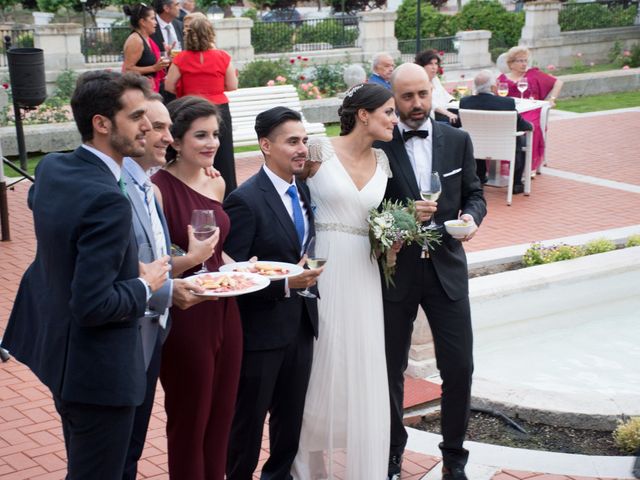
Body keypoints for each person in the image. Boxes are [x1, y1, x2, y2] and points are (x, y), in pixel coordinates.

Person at [0, 70, 170, 479]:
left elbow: (47, 213)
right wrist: (145, 282)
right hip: (100, 376)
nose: (147, 126)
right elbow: (94, 304)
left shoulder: (55, 169)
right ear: (101, 123)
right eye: (136, 117)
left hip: (60, 357)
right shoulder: (108, 200)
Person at [375, 63, 486, 480]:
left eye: (422, 94)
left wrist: (472, 219)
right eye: (407, 97)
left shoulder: (458, 139)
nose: (417, 104)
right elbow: (369, 208)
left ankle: (454, 459)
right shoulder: (379, 146)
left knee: (459, 367)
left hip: (447, 270)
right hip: (395, 272)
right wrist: (401, 220)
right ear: (393, 97)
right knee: (389, 369)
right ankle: (391, 453)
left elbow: (475, 194)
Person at [291, 83, 397, 479]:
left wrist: (392, 241)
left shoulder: (384, 161)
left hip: (366, 272)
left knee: (363, 363)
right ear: (364, 114)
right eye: (388, 111)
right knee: (319, 362)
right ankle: (305, 471)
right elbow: (287, 191)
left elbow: (378, 220)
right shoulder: (318, 149)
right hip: (323, 266)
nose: (394, 118)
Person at [224, 107, 323, 480]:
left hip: (301, 326)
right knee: (246, 427)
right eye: (292, 141)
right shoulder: (244, 200)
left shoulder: (305, 190)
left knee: (290, 424)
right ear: (266, 145)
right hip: (260, 335)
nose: (302, 149)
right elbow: (233, 277)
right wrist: (284, 283)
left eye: (304, 141)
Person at [121, 95, 213, 480]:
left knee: (130, 451)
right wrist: (181, 274)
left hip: (156, 329)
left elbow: (156, 260)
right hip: (120, 338)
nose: (163, 136)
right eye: (156, 127)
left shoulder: (144, 186)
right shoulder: (124, 187)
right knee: (111, 457)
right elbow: (122, 272)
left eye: (164, 128)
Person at [151, 96, 239, 480]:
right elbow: (153, 266)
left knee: (223, 415)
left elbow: (218, 254)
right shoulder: (156, 190)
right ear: (175, 140)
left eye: (215, 134)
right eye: (200, 135)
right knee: (190, 418)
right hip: (187, 313)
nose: (212, 143)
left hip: (226, 305)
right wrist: (191, 257)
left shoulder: (214, 182)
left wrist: (249, 269)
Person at [165, 12, 239, 194]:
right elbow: (232, 85)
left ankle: (189, 191)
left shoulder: (181, 58)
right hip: (218, 110)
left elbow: (168, 85)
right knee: (223, 157)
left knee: (188, 154)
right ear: (210, 34)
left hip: (191, 108)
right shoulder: (222, 57)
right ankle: (227, 194)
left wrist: (185, 91)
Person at [460, 70, 533, 194]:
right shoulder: (507, 103)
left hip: (476, 148)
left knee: (476, 139)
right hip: (503, 146)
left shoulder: (465, 102)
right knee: (521, 139)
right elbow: (522, 125)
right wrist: (530, 126)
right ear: (494, 87)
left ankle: (480, 178)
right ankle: (516, 183)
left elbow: (459, 123)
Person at [497, 46, 563, 173]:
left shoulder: (533, 74)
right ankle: (507, 159)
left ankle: (527, 165)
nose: (524, 64)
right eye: (520, 61)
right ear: (511, 64)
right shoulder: (502, 78)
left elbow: (558, 82)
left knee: (529, 125)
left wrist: (552, 99)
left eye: (525, 61)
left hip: (531, 110)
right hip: (511, 111)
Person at [122, 3, 170, 93]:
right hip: (139, 91)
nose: (156, 22)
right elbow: (127, 70)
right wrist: (154, 68)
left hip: (149, 89)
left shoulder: (147, 38)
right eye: (152, 19)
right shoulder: (135, 40)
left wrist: (168, 54)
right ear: (142, 22)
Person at [150, 0, 184, 103]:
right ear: (166, 8)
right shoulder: (150, 26)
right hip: (159, 87)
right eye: (177, 4)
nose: (180, 8)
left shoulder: (179, 25)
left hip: (180, 83)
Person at [415, 49, 458, 126]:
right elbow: (432, 104)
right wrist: (448, 114)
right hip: (434, 115)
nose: (434, 67)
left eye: (436, 64)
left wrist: (456, 102)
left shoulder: (435, 79)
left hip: (445, 109)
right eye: (430, 64)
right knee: (457, 121)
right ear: (422, 66)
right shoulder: (420, 82)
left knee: (465, 114)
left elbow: (446, 95)